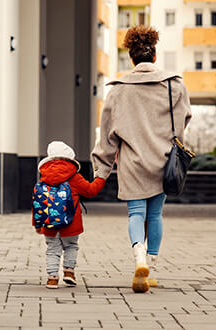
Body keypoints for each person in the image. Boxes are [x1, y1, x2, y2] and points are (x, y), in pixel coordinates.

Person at [91, 25, 192, 293]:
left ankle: (139, 257)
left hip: (132, 164)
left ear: (131, 58)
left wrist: (101, 170)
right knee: (156, 213)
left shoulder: (118, 90)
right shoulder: (174, 84)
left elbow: (107, 135)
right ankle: (152, 267)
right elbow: (184, 121)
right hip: (163, 161)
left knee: (137, 213)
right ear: (155, 56)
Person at [33, 141, 106, 289]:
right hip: (71, 223)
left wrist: (37, 224)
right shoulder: (74, 177)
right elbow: (91, 190)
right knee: (71, 246)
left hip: (49, 222)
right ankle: (69, 272)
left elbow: (38, 202)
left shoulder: (43, 178)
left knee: (52, 250)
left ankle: (52, 278)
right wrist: (101, 178)